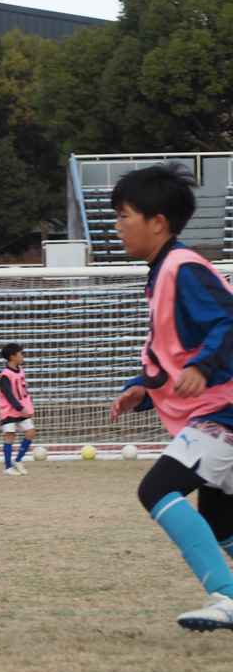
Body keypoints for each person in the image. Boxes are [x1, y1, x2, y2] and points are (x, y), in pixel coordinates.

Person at [109, 164, 233, 632]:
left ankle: (227, 595)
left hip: (223, 410)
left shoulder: (182, 268)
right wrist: (139, 391)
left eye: (124, 216)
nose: (117, 226)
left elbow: (229, 320)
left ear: (157, 221)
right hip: (215, 409)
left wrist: (204, 367)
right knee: (221, 525)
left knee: (157, 488)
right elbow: (167, 357)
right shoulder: (161, 273)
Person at [0, 343, 36, 476]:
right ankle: (8, 467)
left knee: (30, 432)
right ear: (12, 357)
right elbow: (8, 394)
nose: (22, 356)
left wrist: (29, 404)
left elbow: (24, 390)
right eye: (20, 353)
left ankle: (18, 460)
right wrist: (20, 407)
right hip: (9, 410)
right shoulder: (5, 375)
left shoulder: (20, 371)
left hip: (22, 409)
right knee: (10, 436)